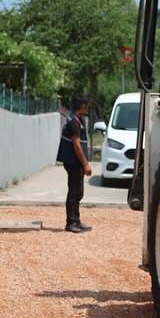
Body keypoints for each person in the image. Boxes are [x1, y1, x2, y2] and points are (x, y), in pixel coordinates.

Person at [61, 96, 93, 233]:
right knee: (74, 192)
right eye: (87, 105)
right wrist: (86, 164)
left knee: (78, 192)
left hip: (76, 162)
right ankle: (71, 222)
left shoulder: (78, 120)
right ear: (82, 106)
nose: (88, 108)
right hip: (74, 162)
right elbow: (77, 145)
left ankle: (76, 220)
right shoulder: (74, 122)